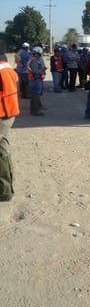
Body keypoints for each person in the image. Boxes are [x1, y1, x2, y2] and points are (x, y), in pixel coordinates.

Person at [0, 47, 20, 202]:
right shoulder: (7, 68)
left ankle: (5, 189)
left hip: (1, 113)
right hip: (9, 113)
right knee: (3, 148)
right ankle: (6, 190)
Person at [27, 46, 46, 116]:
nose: (39, 56)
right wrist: (42, 71)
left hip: (34, 79)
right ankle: (36, 111)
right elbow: (36, 71)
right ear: (36, 53)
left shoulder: (32, 59)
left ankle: (33, 110)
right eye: (39, 54)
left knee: (34, 95)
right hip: (36, 79)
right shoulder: (34, 61)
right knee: (36, 95)